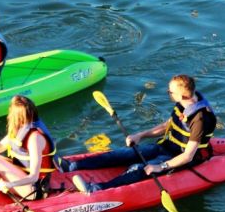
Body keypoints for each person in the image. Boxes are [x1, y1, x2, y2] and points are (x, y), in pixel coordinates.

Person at [64, 74, 216, 194]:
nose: (168, 93)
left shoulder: (200, 119)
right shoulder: (183, 103)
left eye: (170, 92)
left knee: (138, 168)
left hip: (178, 158)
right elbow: (167, 126)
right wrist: (140, 136)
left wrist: (160, 167)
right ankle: (73, 166)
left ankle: (96, 189)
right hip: (165, 146)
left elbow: (188, 156)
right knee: (124, 153)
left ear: (182, 95)